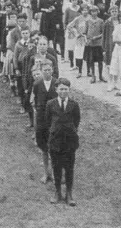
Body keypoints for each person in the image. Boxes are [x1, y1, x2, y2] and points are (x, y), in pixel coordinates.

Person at [45, 77, 80, 206]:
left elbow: (76, 121)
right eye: (61, 89)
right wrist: (55, 131)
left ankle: (69, 194)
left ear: (69, 90)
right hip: (55, 142)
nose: (63, 91)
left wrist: (70, 131)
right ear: (56, 90)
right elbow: (48, 121)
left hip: (70, 142)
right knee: (56, 168)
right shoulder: (50, 104)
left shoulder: (74, 104)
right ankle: (57, 192)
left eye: (66, 89)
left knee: (69, 168)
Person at [32, 59, 58, 184]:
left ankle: (54, 173)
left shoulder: (57, 83)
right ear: (41, 71)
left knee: (54, 147)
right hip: (42, 120)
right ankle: (46, 173)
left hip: (53, 121)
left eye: (49, 70)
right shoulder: (37, 84)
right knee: (44, 148)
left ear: (52, 70)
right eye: (44, 70)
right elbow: (35, 101)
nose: (47, 72)